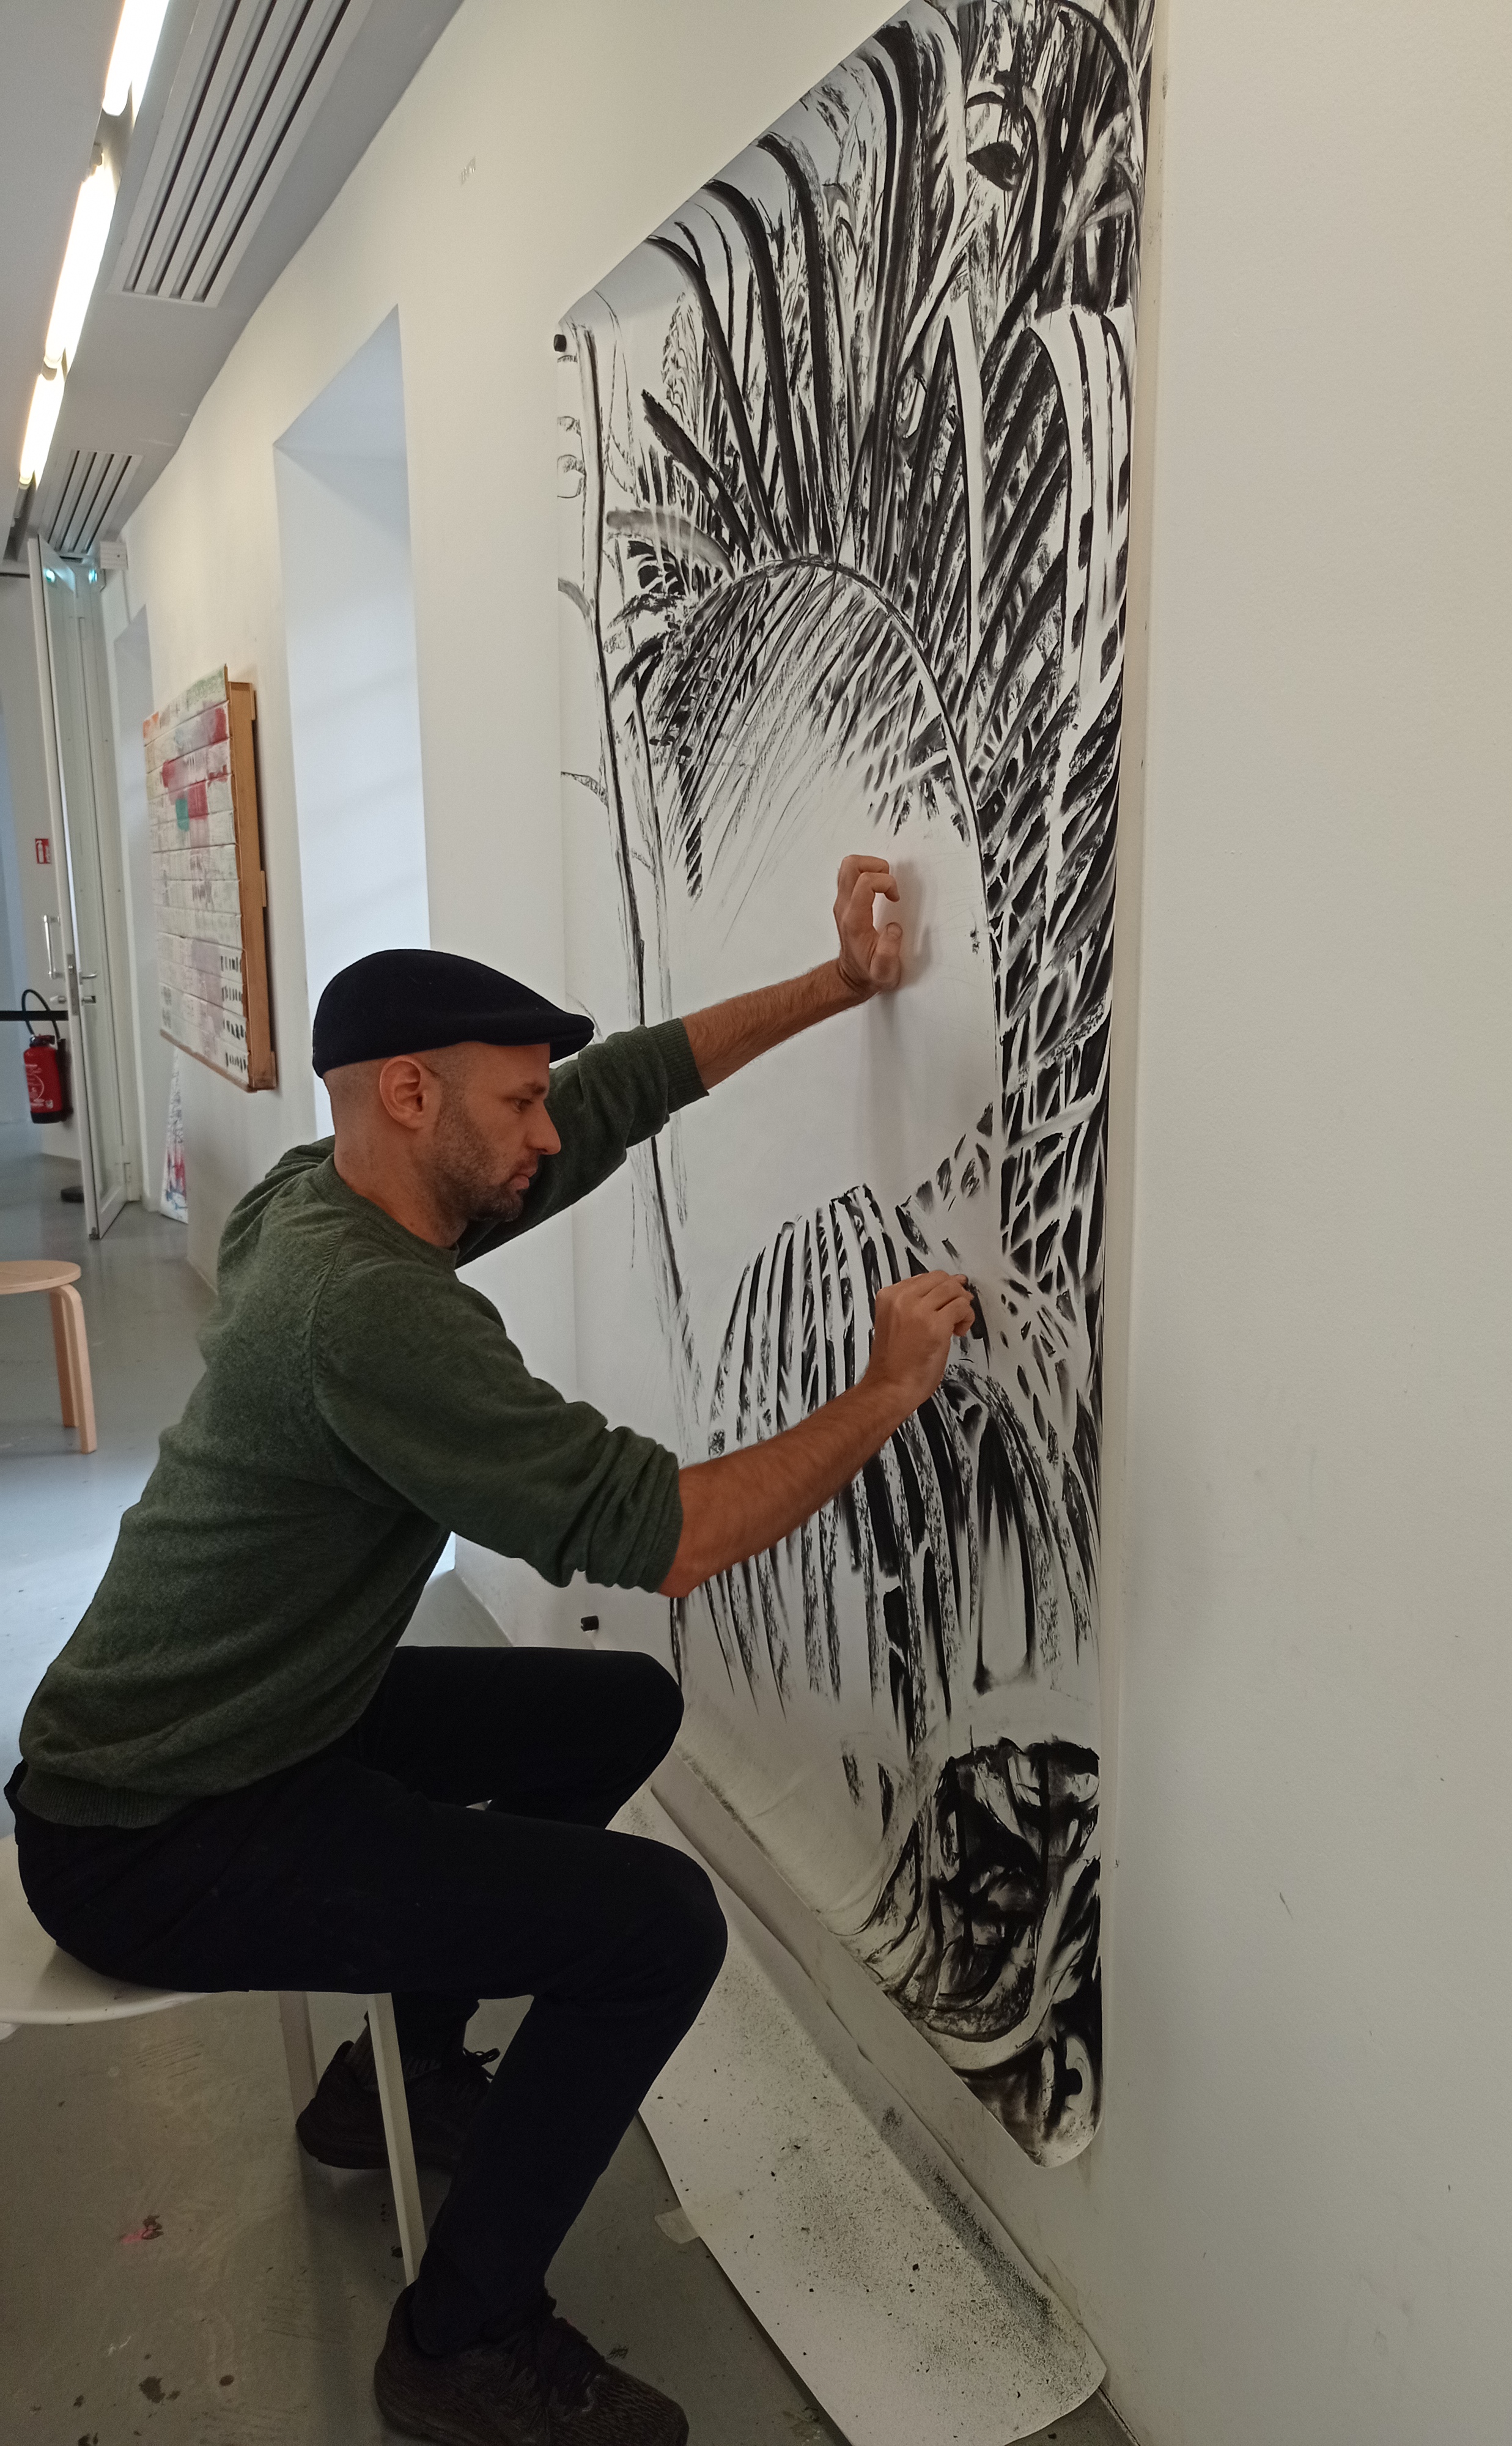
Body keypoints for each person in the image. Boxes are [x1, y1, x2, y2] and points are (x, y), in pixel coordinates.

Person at [6, 854, 975, 2446]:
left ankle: (390, 2078)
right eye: (518, 1103)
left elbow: (617, 1095)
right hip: (156, 1825)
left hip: (246, 1719)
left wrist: (838, 986)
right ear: (411, 1096)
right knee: (657, 1926)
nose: (546, 1132)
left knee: (607, 1713)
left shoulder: (320, 1193)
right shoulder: (369, 1313)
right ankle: (459, 2338)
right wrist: (882, 1394)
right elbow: (674, 1534)